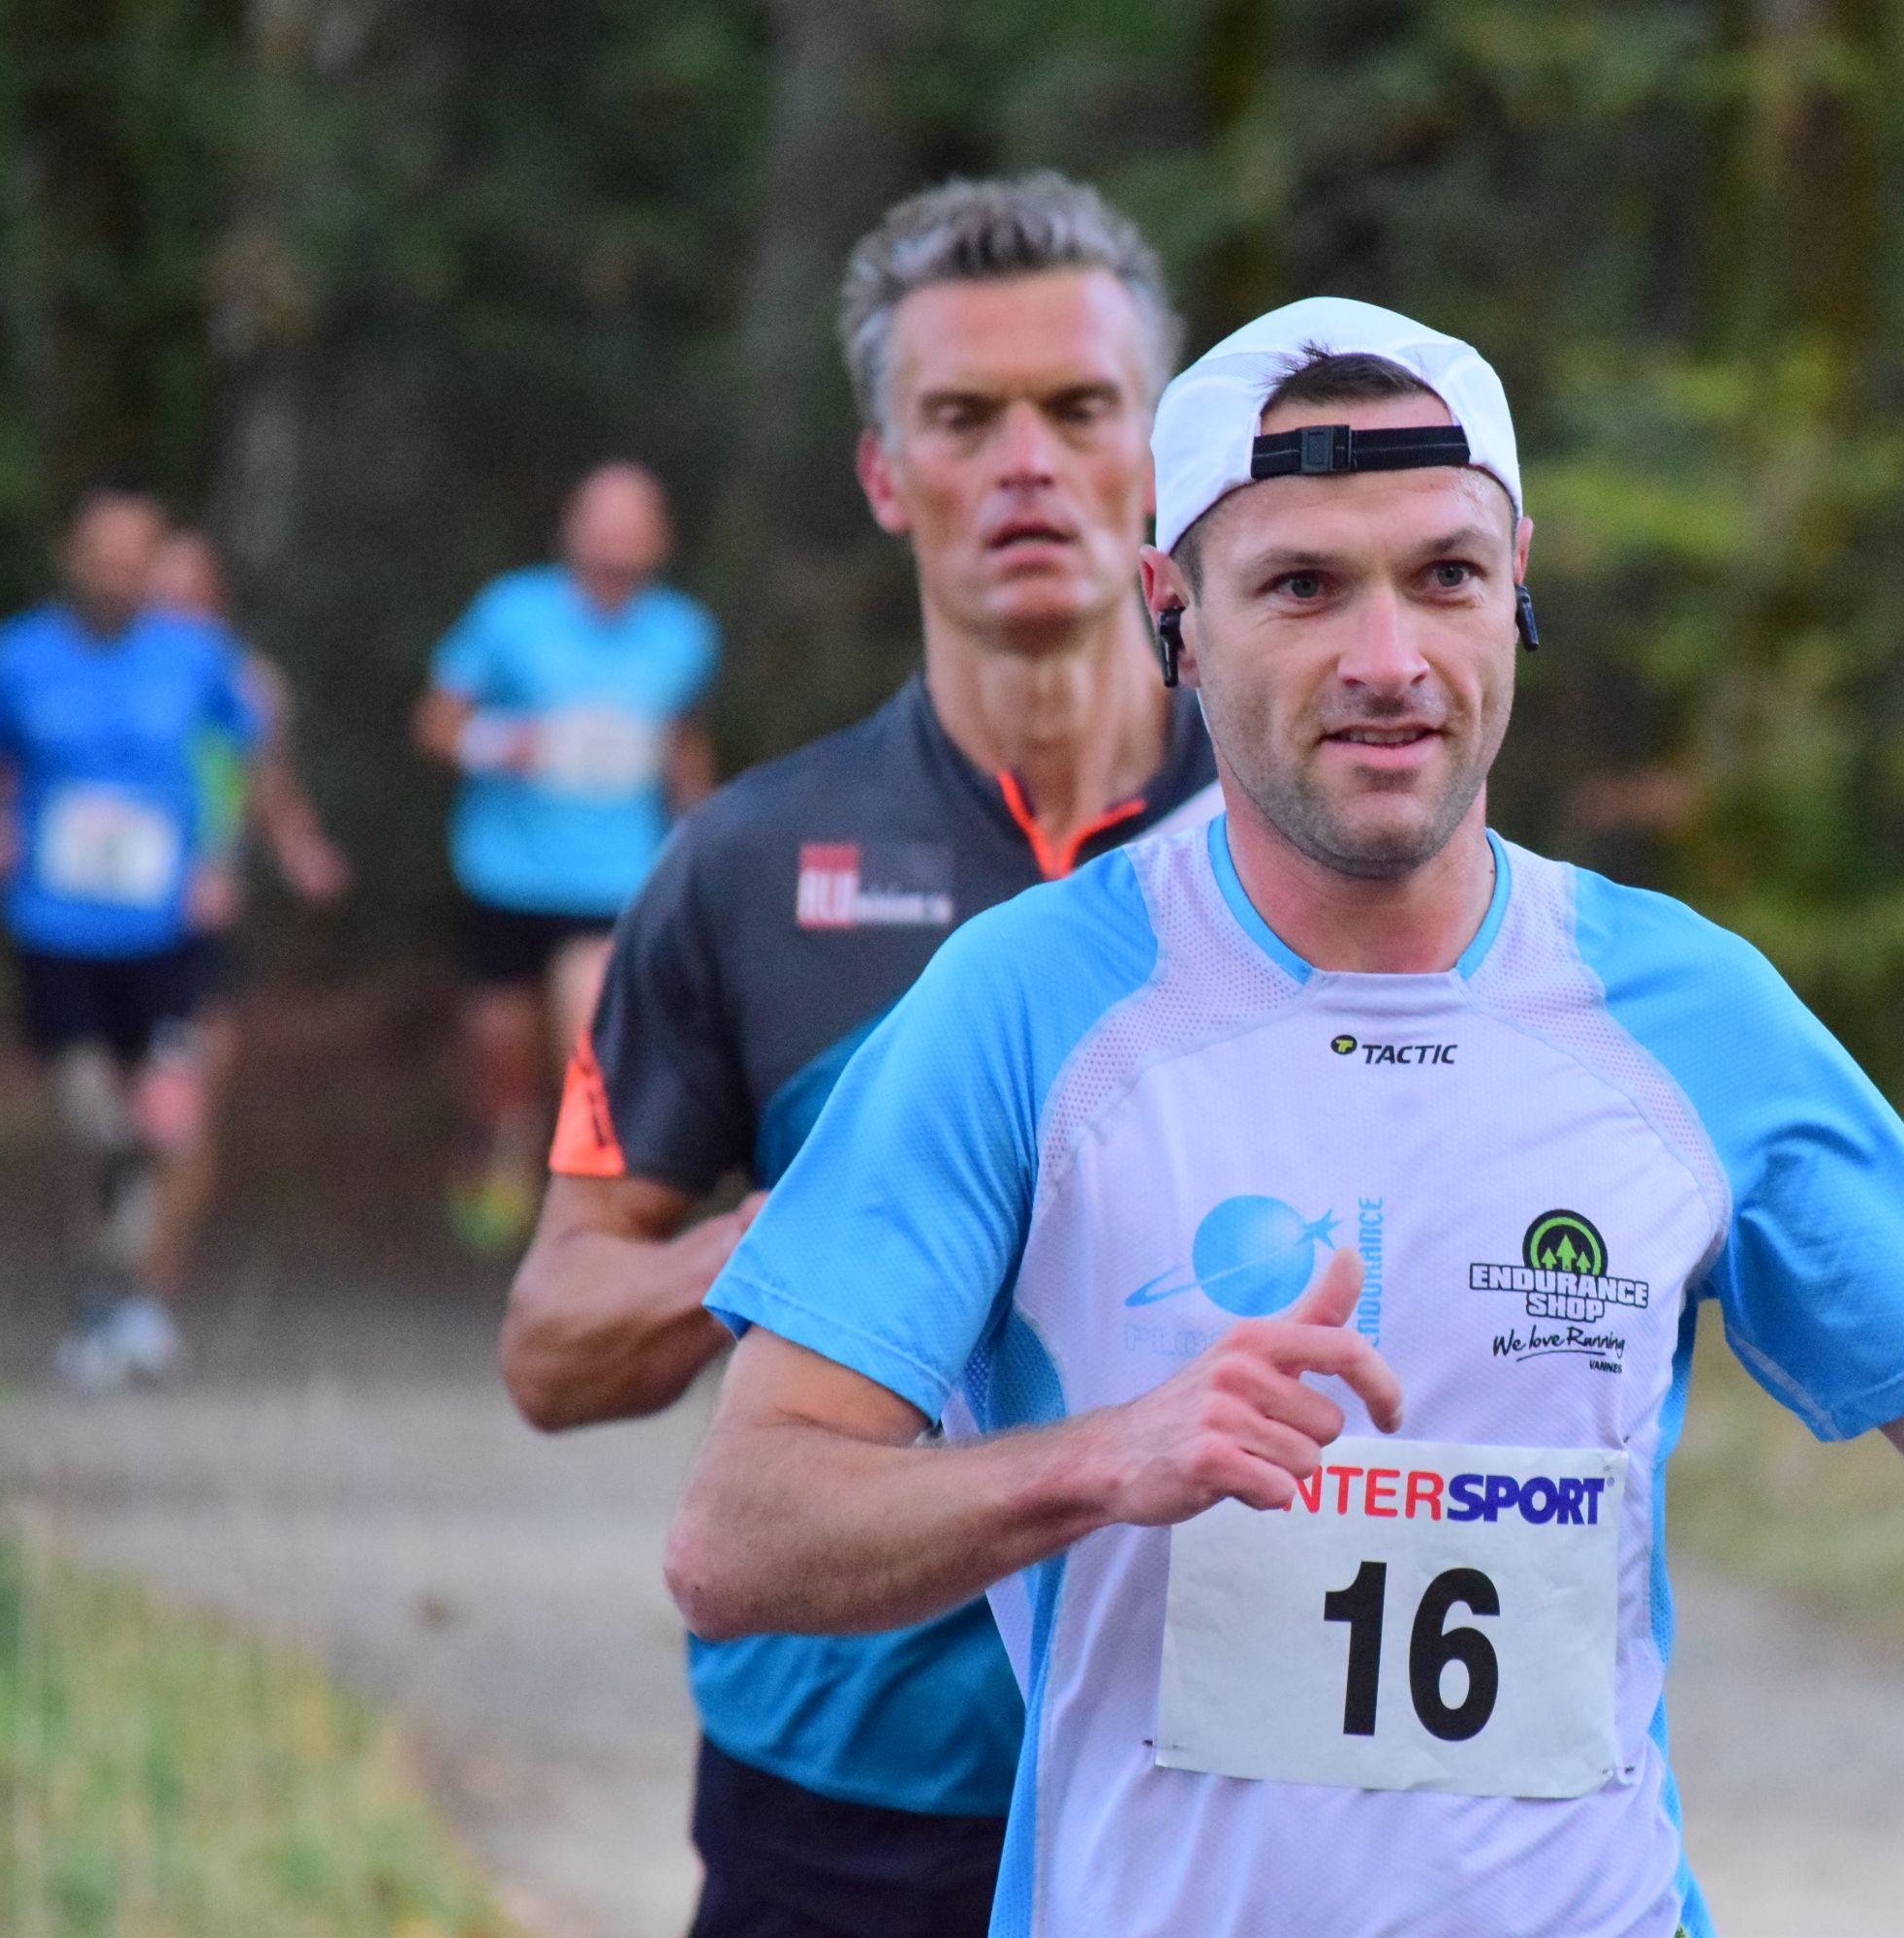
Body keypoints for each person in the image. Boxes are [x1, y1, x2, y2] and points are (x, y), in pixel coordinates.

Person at [662, 295, 1904, 1937]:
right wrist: (1108, 1458)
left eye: (1445, 576)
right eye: (1302, 587)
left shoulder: (1693, 1011)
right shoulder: (1024, 1006)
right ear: (1174, 613)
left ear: (1517, 580)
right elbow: (737, 1541)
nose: (1388, 662)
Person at [500, 175, 1214, 1938]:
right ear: (888, 474)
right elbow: (554, 1345)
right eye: (964, 418)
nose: (1027, 464)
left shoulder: (1306, 848)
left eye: (1079, 408)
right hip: (852, 1787)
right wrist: (808, 1243)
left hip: (1217, 1766)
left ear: (1161, 453)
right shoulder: (745, 865)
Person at [0, 488, 267, 1391]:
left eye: (134, 559)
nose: (116, 574)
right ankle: (105, 1293)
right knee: (93, 1117)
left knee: (168, 1119)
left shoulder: (196, 656)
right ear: (72, 558)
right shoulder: (14, 658)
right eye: (101, 556)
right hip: (57, 926)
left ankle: (127, 1300)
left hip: (165, 928)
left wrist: (221, 858)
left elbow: (244, 755)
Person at [415, 462, 718, 1255]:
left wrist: (704, 834)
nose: (616, 546)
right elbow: (435, 725)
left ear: (660, 542)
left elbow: (681, 744)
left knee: (590, 1043)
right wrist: (501, 744)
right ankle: (499, 1137)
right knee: (499, 1052)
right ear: (570, 531)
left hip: (615, 879)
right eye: (602, 526)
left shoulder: (683, 635)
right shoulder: (509, 613)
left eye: (633, 530)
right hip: (506, 875)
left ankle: (584, 1217)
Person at [142, 528, 350, 1305]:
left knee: (187, 1108)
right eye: (161, 599)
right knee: (116, 1115)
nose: (177, 616)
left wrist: (299, 847)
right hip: (97, 930)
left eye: (191, 599)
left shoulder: (245, 683)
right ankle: (114, 1271)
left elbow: (268, 783)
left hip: (202, 924)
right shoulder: (89, 674)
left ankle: (147, 1296)